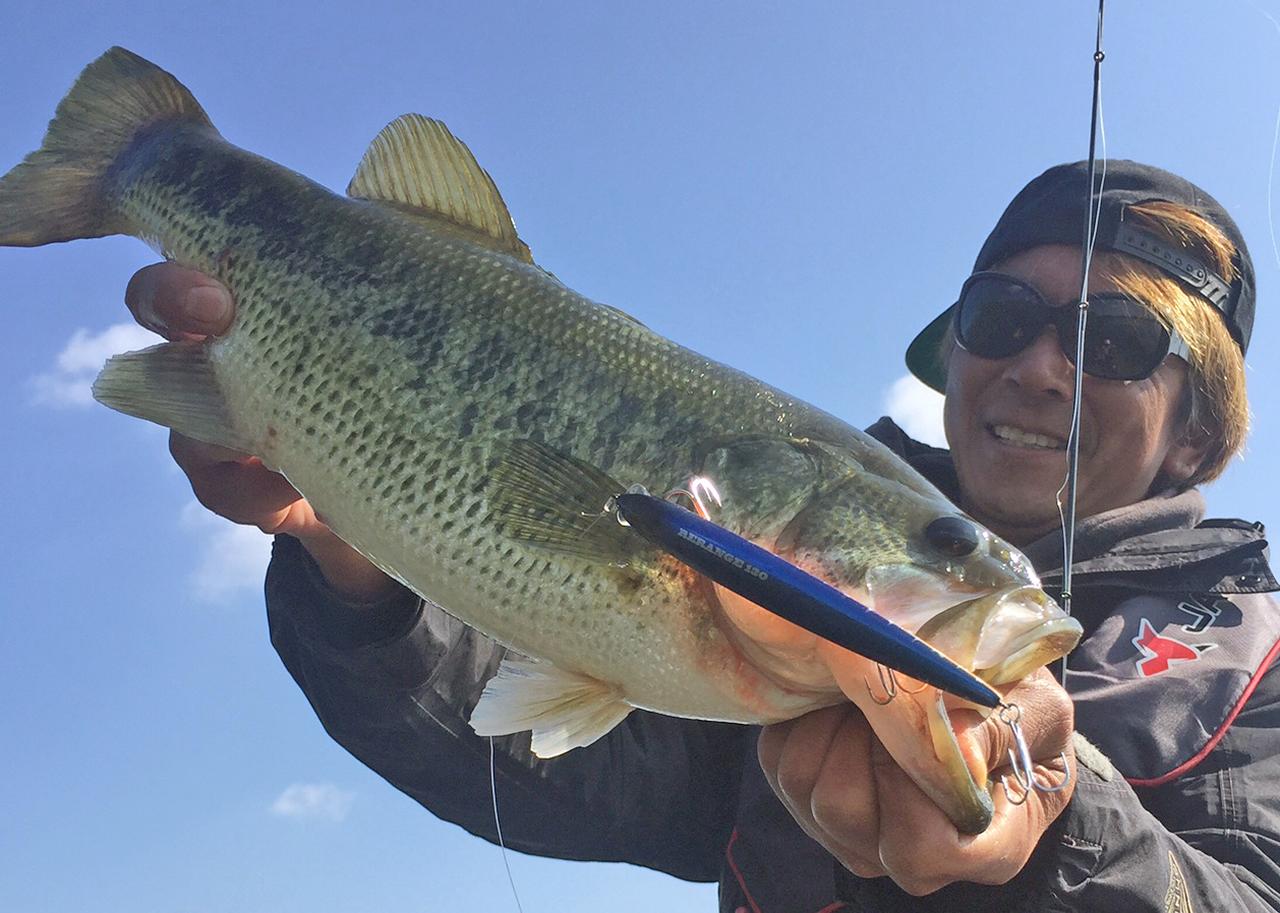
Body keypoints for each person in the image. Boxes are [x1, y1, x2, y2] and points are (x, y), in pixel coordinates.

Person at [126, 161, 1280, 911]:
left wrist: (1055, 834)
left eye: (1116, 340)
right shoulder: (770, 620)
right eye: (1002, 318)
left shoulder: (1257, 661)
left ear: (1195, 432)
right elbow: (545, 773)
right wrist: (362, 562)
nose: (1038, 365)